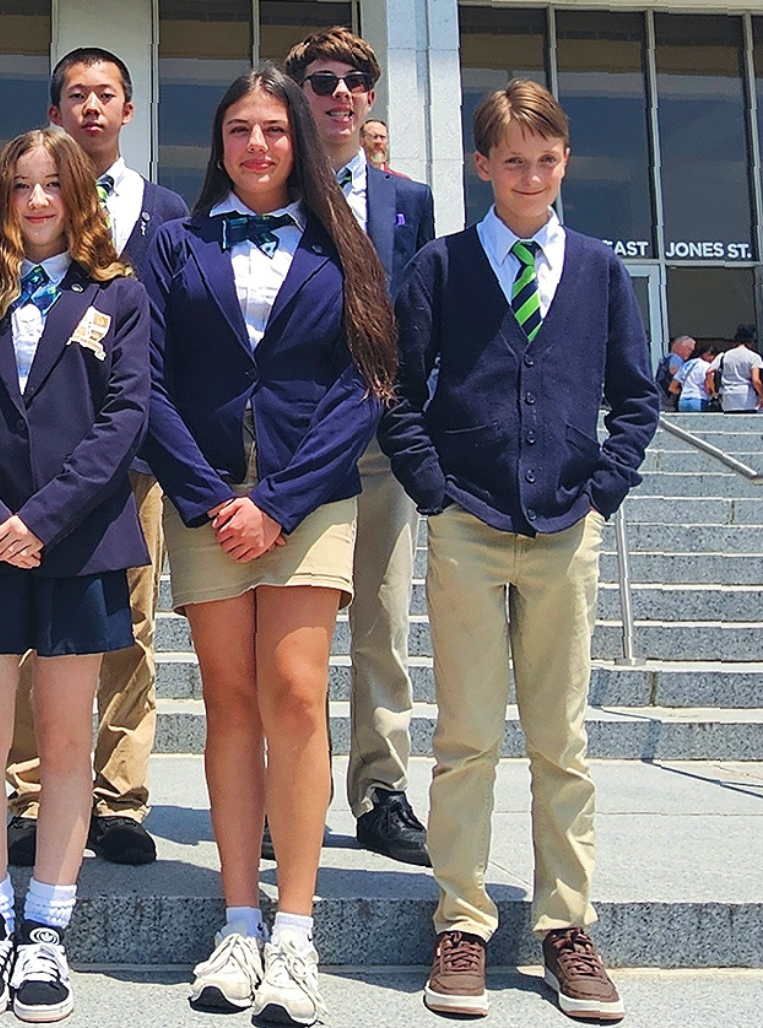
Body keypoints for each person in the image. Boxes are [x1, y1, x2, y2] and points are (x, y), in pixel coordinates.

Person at [381, 79, 658, 1021]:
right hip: (464, 523)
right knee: (465, 738)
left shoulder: (597, 267)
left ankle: (564, 924)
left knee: (562, 743)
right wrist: (430, 491)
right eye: (511, 160)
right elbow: (400, 393)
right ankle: (461, 917)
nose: (529, 174)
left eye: (545, 159)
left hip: (563, 528)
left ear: (564, 162)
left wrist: (604, 490)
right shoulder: (444, 267)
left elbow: (636, 395)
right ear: (482, 166)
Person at [142, 65, 394, 1025]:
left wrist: (279, 502)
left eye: (275, 129)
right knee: (230, 698)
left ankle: (295, 928)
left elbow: (367, 380)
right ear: (219, 143)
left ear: (300, 142)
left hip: (310, 498)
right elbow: (146, 380)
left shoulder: (344, 245)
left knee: (295, 693)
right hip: (208, 500)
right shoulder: (173, 244)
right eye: (240, 129)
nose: (257, 144)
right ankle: (237, 920)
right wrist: (212, 498)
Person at [0, 126, 150, 1024]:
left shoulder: (117, 295)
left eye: (54, 186)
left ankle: (47, 922)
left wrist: (41, 520)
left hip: (77, 543)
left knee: (64, 744)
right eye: (21, 187)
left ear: (78, 196)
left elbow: (124, 418)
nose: (38, 201)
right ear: (0, 198)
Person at [2, 45, 190, 870]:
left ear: (128, 110)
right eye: (75, 95)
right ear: (55, 110)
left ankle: (118, 797)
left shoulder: (166, 209)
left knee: (128, 629)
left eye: (105, 95)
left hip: (129, 459)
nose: (90, 108)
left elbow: (169, 336)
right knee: (21, 630)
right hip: (23, 464)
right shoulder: (18, 208)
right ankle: (29, 796)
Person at [286, 25, 436, 867]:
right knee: (286, 638)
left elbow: (418, 316)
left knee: (382, 625)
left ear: (370, 99)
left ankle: (380, 791)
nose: (340, 94)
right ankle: (281, 790)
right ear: (299, 93)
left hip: (378, 443)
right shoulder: (272, 187)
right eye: (323, 81)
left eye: (356, 83)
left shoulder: (404, 201)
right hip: (293, 445)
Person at [710, 329, 763, 413]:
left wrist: (713, 391)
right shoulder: (754, 357)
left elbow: (709, 372)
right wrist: (761, 395)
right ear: (750, 343)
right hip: (746, 397)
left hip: (727, 397)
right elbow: (756, 380)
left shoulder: (723, 355)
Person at [656, 334, 696, 413]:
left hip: (661, 401)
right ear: (680, 346)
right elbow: (674, 371)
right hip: (667, 403)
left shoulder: (667, 358)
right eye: (689, 349)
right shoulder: (676, 358)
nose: (690, 353)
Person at [676, 340, 718, 413]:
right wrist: (713, 392)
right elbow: (707, 384)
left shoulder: (686, 364)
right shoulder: (707, 366)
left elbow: (673, 387)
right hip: (698, 399)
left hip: (683, 400)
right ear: (709, 354)